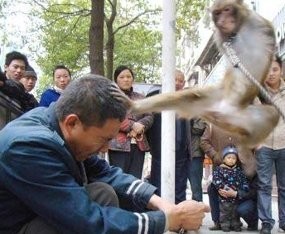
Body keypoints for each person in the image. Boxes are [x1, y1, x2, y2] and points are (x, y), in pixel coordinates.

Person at [0, 74, 209, 234]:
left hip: (33, 215)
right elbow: (86, 219)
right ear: (72, 122)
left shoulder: (56, 122)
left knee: (101, 191)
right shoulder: (28, 147)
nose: (105, 149)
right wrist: (166, 221)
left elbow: (105, 172)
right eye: (104, 139)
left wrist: (163, 205)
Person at [200, 123, 258, 231]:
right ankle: (218, 222)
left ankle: (248, 221)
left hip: (243, 167)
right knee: (213, 189)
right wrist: (215, 155)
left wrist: (246, 153)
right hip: (223, 168)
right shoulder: (213, 123)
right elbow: (204, 141)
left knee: (244, 202)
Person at [147, 69, 189, 204]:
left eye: (181, 81)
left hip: (181, 150)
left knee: (180, 185)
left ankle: (180, 214)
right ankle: (161, 215)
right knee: (158, 183)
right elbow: (148, 120)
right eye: (174, 79)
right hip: (160, 150)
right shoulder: (154, 96)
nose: (177, 83)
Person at [256, 55, 285, 234]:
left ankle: (284, 222)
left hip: (284, 144)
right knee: (264, 185)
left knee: (284, 186)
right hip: (264, 146)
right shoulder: (257, 92)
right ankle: (266, 222)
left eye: (274, 69)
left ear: (281, 70)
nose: (271, 74)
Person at [108, 65, 153, 180]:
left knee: (135, 179)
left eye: (128, 76)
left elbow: (149, 116)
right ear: (116, 80)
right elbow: (113, 116)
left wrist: (141, 125)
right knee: (119, 179)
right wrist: (133, 126)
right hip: (118, 145)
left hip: (138, 144)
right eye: (122, 77)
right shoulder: (111, 98)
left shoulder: (141, 97)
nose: (126, 79)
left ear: (133, 79)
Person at [212, 145, 250, 232]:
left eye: (234, 158)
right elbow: (216, 180)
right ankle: (224, 225)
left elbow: (243, 180)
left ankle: (235, 224)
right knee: (225, 212)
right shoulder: (219, 169)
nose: (231, 160)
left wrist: (244, 186)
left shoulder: (238, 171)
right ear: (224, 159)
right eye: (229, 157)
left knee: (235, 212)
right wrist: (223, 188)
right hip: (224, 197)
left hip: (235, 196)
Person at [187, 118, 206, 202]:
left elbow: (199, 128)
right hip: (180, 153)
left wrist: (188, 120)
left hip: (195, 155)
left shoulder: (199, 111)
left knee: (196, 188)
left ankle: (198, 211)